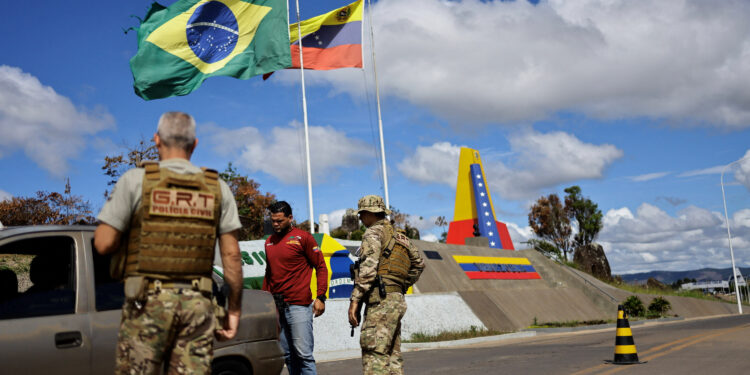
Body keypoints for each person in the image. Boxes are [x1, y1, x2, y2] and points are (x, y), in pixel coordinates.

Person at [93, 111, 243, 374]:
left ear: (156, 140)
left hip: (146, 302)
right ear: (194, 144)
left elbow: (103, 244)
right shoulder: (217, 187)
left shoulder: (135, 180)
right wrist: (234, 311)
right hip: (198, 305)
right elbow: (231, 257)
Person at [348, 195, 425, 375]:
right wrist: (399, 285)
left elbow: (368, 270)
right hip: (396, 300)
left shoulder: (373, 233)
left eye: (362, 214)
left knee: (374, 355)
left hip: (380, 301)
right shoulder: (400, 237)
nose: (360, 218)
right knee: (392, 355)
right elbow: (419, 264)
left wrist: (355, 300)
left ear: (370, 213)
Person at [262, 201, 328, 375]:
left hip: (299, 305)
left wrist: (321, 296)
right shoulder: (269, 242)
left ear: (290, 218)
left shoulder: (303, 238)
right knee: (287, 355)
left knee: (303, 355)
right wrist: (264, 303)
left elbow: (321, 267)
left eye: (279, 221)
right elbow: (269, 274)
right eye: (273, 220)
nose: (275, 224)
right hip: (277, 305)